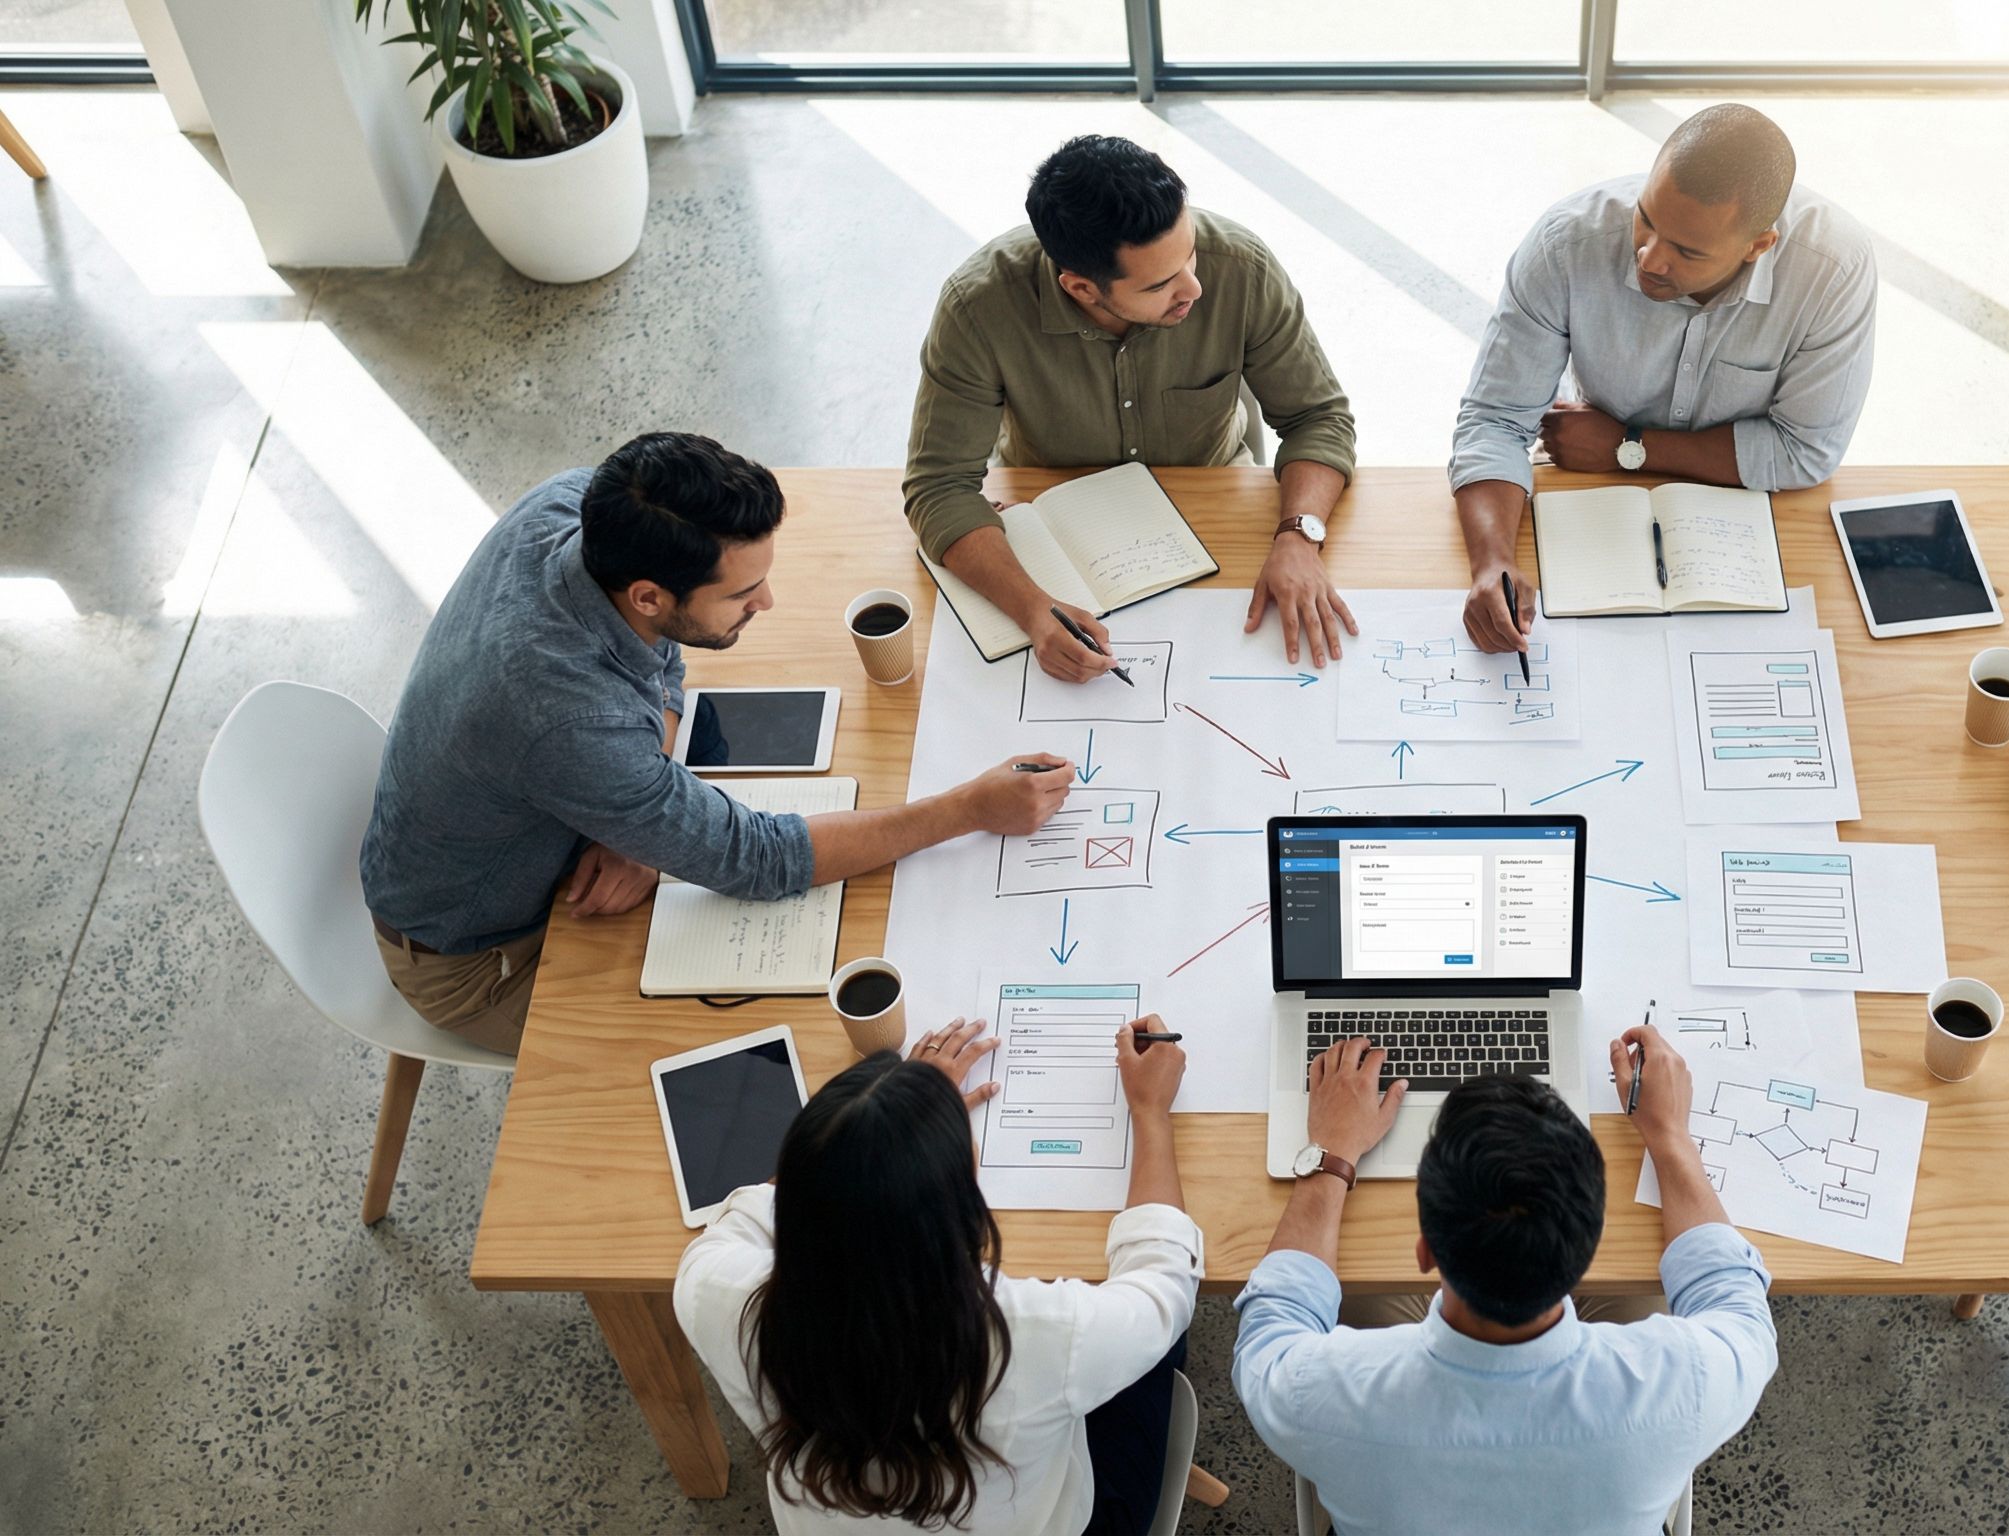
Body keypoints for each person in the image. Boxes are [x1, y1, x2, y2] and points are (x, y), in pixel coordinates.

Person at [359, 432, 1075, 1056]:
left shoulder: (575, 507)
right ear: (649, 595)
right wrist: (968, 809)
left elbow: (659, 658)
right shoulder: (569, 720)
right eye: (741, 595)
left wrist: (637, 819)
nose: (767, 603)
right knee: (758, 1040)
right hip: (480, 956)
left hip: (530, 831)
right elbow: (756, 858)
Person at [1232, 1028, 1779, 1535]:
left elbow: (1273, 1322)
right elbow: (1731, 1294)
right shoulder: (1687, 1383)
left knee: (1359, 1297)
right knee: (1651, 1297)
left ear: (1424, 1251)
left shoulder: (1321, 1394)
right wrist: (1669, 1134)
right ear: (1588, 1252)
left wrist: (1332, 1155)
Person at [676, 1018, 1200, 1535]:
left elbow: (753, 1210)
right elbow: (1164, 1285)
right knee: (1157, 1350)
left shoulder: (714, 1297)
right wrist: (1150, 1111)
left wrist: (873, 1125)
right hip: (1066, 1522)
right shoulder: (1040, 1334)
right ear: (963, 1200)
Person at [902, 134, 1362, 679]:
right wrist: (1032, 609)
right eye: (1161, 284)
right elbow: (939, 487)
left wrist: (1299, 537)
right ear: (1082, 288)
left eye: (1190, 254)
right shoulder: (977, 307)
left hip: (1212, 507)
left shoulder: (1243, 266)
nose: (1194, 288)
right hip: (1051, 527)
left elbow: (1318, 418)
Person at [1450, 103, 1879, 653]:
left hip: (1749, 522)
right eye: (1647, 219)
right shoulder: (1567, 241)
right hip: (1593, 498)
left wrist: (1629, 447)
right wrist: (1492, 565)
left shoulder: (1834, 268)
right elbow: (1494, 421)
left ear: (1758, 245)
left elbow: (1806, 452)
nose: (1649, 259)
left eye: (1687, 251)